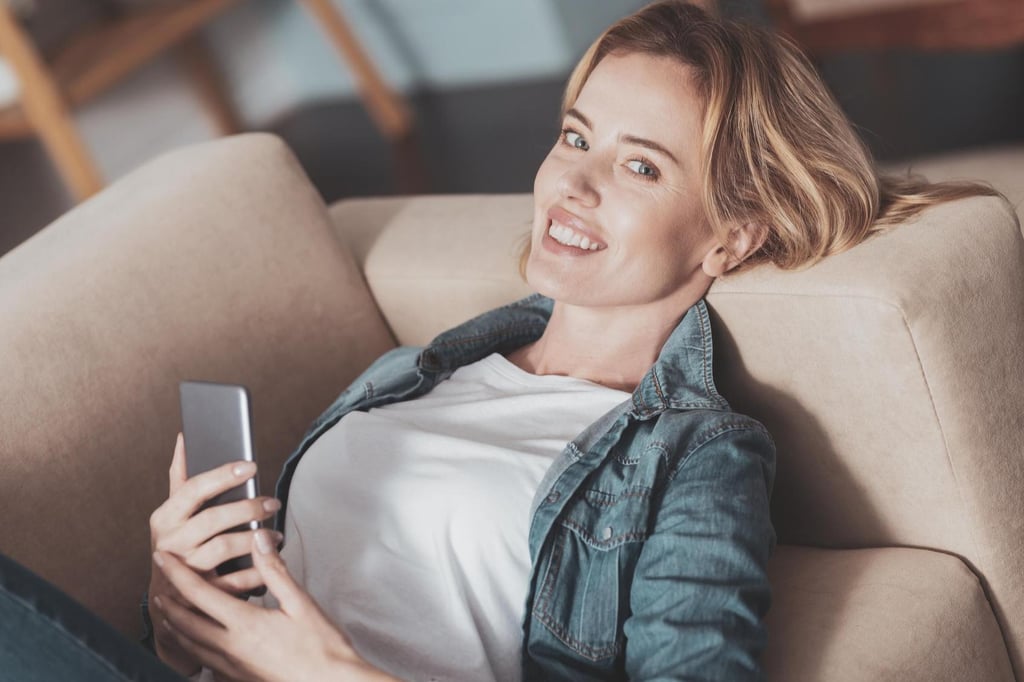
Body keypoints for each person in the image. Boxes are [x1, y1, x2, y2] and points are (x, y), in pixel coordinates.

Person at [0, 2, 997, 681]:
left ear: (730, 235)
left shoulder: (694, 457)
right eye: (575, 136)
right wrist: (181, 596)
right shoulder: (419, 371)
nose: (572, 183)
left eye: (639, 167)